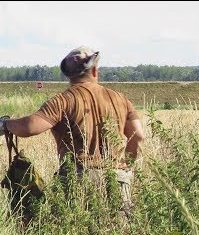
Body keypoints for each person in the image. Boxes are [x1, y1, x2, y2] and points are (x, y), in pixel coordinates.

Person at [0, 46, 144, 222]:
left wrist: (6, 124)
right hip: (118, 178)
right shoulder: (120, 99)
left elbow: (29, 128)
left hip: (78, 179)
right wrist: (125, 165)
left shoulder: (63, 100)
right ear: (94, 70)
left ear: (68, 73)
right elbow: (138, 136)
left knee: (76, 233)